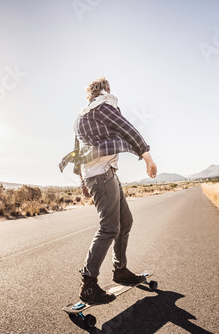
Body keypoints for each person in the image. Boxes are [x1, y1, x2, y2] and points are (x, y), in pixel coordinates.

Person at [59, 77, 157, 304]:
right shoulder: (103, 107)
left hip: (104, 175)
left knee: (126, 221)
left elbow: (77, 153)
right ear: (105, 90)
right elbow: (127, 129)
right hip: (102, 177)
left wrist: (83, 181)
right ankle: (89, 285)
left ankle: (120, 270)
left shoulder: (81, 117)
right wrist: (148, 158)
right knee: (109, 228)